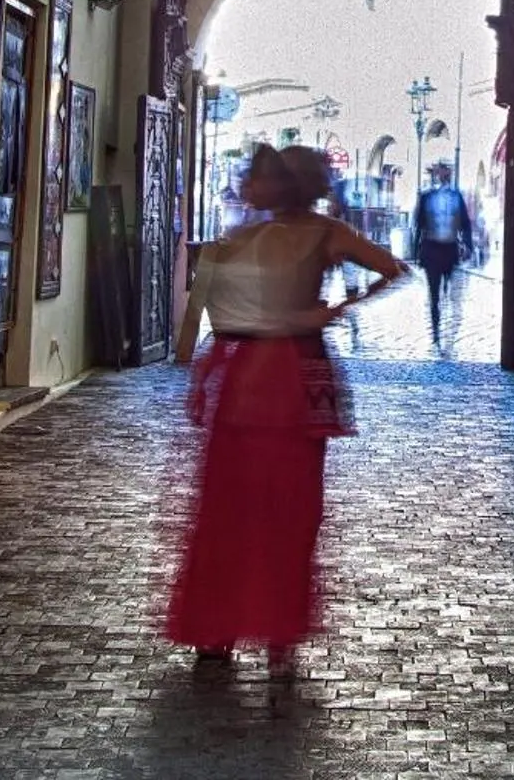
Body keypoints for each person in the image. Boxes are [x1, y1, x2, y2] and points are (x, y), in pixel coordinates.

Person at [165, 144, 408, 674]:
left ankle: (218, 625)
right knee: (292, 503)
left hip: (243, 371)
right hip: (298, 372)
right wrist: (336, 309)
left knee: (229, 498)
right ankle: (278, 625)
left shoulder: (240, 238)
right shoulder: (323, 234)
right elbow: (392, 268)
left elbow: (211, 318)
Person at [412, 162, 474, 348]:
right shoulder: (427, 196)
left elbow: (465, 223)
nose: (444, 175)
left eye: (447, 171)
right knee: (434, 292)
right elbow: (419, 224)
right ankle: (436, 325)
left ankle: (442, 317)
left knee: (447, 288)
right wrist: (417, 250)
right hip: (432, 249)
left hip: (449, 248)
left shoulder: (456, 197)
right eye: (442, 171)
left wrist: (468, 245)